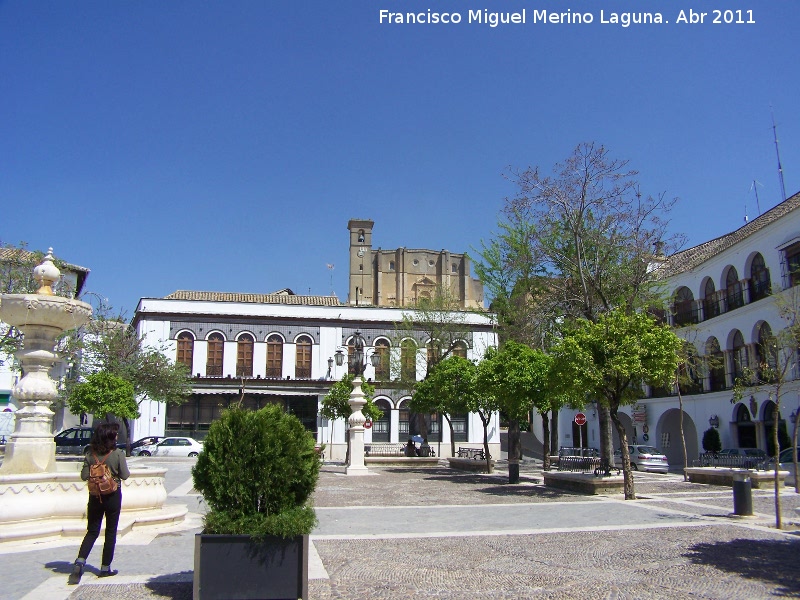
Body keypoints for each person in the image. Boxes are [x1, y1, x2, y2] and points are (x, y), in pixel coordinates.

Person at [68, 422, 130, 585]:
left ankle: (80, 562)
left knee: (92, 531)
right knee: (110, 532)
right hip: (113, 496)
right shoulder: (117, 453)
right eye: (115, 434)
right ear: (110, 437)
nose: (117, 436)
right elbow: (125, 475)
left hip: (95, 497)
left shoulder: (90, 453)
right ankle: (105, 568)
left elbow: (83, 476)